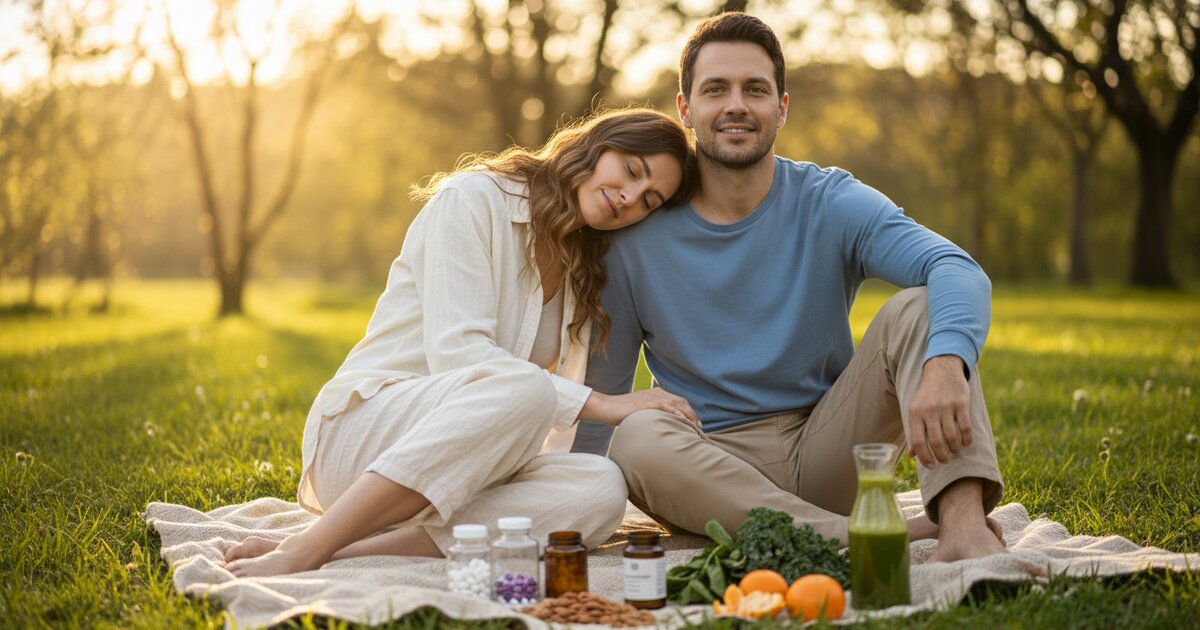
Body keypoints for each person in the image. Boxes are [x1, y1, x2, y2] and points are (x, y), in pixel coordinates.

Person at [571, 13, 1008, 563]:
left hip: (828, 447)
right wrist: (576, 511)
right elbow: (606, 394)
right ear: (686, 109)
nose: (736, 105)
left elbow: (955, 267)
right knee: (633, 436)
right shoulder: (634, 236)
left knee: (922, 308)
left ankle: (963, 527)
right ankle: (851, 537)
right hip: (705, 467)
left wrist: (946, 364)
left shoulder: (830, 200)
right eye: (715, 90)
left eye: (755, 89)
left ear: (781, 106)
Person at [223, 108, 699, 577]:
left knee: (600, 488)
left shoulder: (583, 267)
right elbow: (462, 355)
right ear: (596, 147)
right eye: (632, 171)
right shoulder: (473, 198)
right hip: (365, 436)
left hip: (472, 467)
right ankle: (309, 548)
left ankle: (339, 549)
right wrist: (608, 404)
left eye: (649, 200)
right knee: (525, 388)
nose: (630, 196)